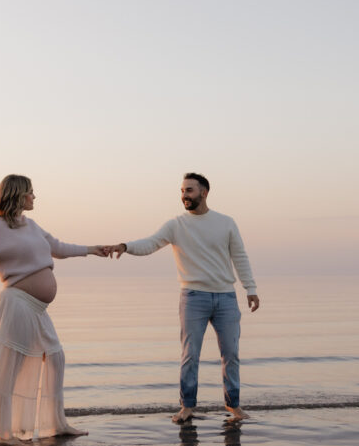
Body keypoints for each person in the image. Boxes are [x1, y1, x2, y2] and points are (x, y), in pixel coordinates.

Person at [0, 174, 110, 443]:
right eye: (30, 192)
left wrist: (92, 249)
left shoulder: (31, 225)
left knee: (56, 357)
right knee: (10, 369)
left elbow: (59, 247)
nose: (34, 196)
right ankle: (4, 433)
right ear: (17, 195)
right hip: (17, 304)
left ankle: (57, 423)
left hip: (37, 309)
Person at [110, 173, 260, 423]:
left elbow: (240, 257)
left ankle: (233, 406)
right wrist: (125, 246)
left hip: (226, 297)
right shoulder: (176, 225)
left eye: (189, 190)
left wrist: (251, 289)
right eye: (182, 191)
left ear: (204, 192)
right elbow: (150, 243)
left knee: (231, 354)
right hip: (193, 298)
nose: (184, 196)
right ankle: (187, 406)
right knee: (190, 354)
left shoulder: (226, 222)